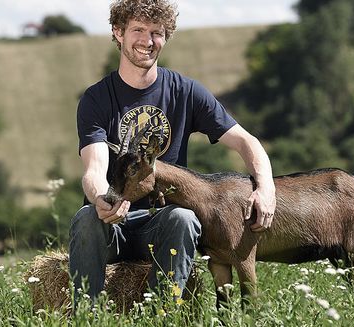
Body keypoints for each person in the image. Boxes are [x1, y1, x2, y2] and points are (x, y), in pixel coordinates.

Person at [69, 0, 276, 306]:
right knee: (86, 217)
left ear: (165, 38)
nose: (147, 40)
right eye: (138, 29)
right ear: (118, 32)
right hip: (110, 225)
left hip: (160, 224)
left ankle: (162, 314)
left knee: (183, 217)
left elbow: (247, 142)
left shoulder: (185, 91)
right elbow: (94, 167)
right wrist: (102, 198)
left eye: (157, 32)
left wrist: (266, 187)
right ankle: (88, 315)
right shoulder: (97, 99)